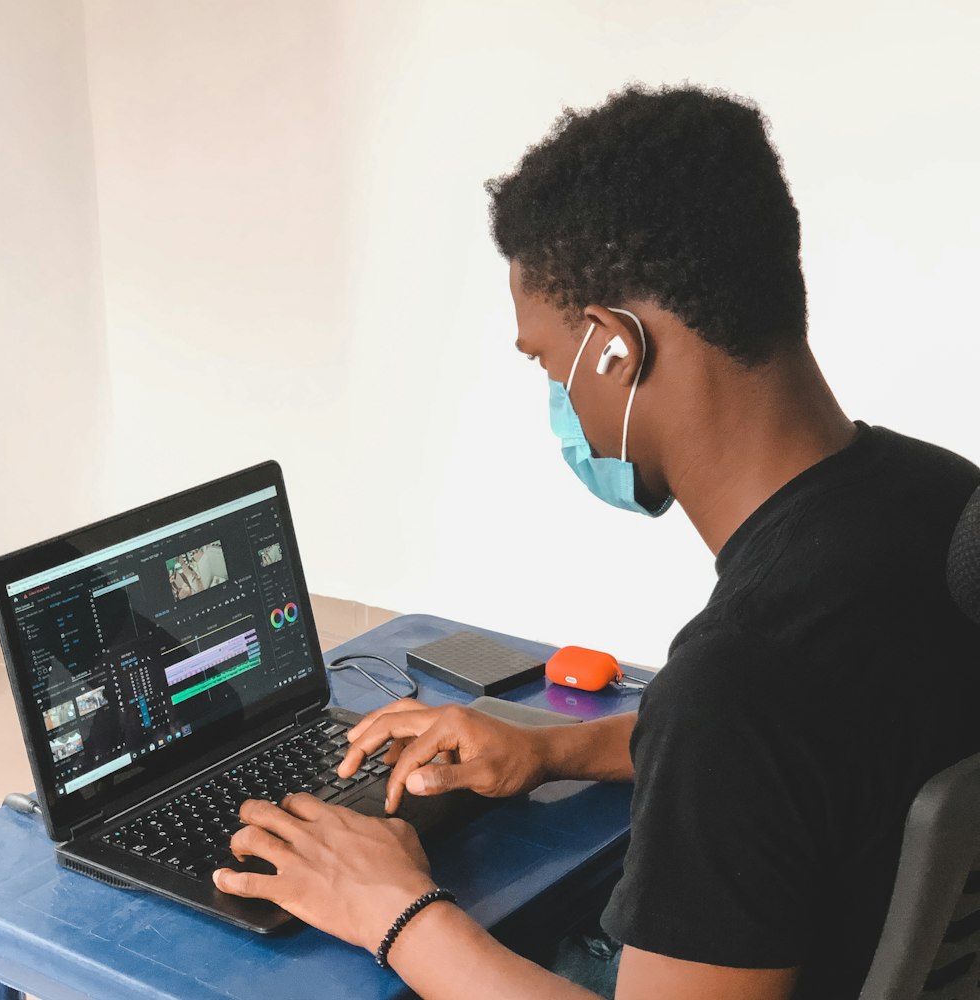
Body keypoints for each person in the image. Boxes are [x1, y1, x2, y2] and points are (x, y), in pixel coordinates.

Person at [211, 85, 980, 999]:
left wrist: (394, 909)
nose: (555, 399)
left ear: (616, 347)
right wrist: (554, 747)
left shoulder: (737, 677)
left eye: (545, 360)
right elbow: (811, 746)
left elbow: (745, 726)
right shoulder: (940, 497)